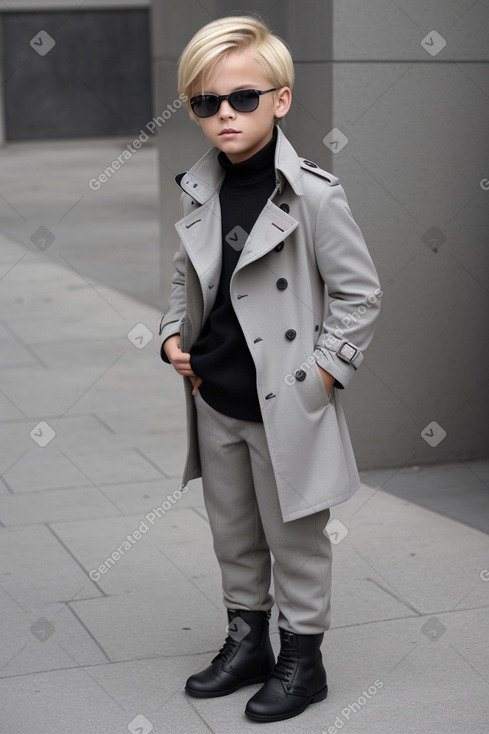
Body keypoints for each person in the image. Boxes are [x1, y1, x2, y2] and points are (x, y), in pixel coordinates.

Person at [159, 15, 381, 723]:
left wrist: (321, 376)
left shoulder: (313, 195)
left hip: (286, 399)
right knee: (232, 530)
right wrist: (171, 338)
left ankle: (302, 659)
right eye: (205, 102)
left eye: (242, 98)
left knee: (296, 537)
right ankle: (245, 640)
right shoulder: (200, 188)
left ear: (280, 100)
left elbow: (359, 295)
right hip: (214, 395)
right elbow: (181, 280)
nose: (224, 114)